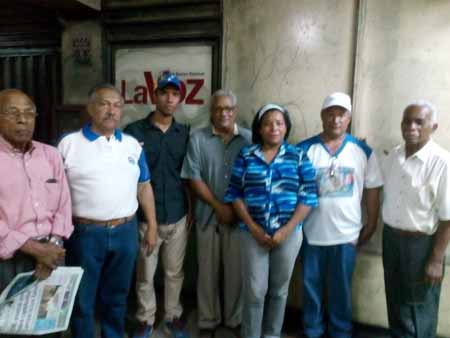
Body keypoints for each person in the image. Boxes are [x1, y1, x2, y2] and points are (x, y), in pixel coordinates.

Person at [58, 84, 158, 338]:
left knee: (117, 297)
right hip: (84, 233)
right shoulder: (68, 145)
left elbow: (144, 187)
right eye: (104, 104)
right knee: (82, 299)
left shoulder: (133, 145)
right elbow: (55, 193)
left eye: (117, 105)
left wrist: (152, 226)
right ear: (91, 108)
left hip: (126, 230)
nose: (111, 110)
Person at [224, 103, 318, 338]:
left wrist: (285, 231)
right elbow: (235, 194)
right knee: (255, 291)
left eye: (279, 123)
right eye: (267, 123)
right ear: (259, 128)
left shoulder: (298, 156)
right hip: (252, 234)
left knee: (279, 291)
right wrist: (254, 228)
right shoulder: (247, 155)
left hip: (288, 235)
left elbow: (308, 196)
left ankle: (272, 334)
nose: (273, 128)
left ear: (286, 127)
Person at [297, 92, 383, 338]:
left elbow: (373, 188)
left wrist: (372, 223)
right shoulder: (304, 149)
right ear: (323, 116)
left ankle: (340, 331)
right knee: (310, 286)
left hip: (346, 235)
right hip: (311, 233)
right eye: (331, 113)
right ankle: (312, 329)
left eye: (341, 114)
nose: (336, 119)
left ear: (349, 118)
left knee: (341, 288)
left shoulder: (363, 151)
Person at [0, 89, 73, 338]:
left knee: (48, 324)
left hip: (52, 253)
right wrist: (34, 249)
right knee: (12, 327)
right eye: (13, 113)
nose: (23, 119)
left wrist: (51, 246)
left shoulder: (50, 155)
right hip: (9, 257)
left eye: (29, 113)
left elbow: (64, 204)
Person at [124, 72, 190, 338]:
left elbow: (189, 177)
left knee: (175, 273)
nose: (169, 98)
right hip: (144, 217)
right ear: (155, 95)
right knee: (145, 275)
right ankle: (145, 319)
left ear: (180, 99)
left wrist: (192, 212)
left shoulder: (184, 133)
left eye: (175, 94)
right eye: (164, 93)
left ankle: (172, 317)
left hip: (178, 215)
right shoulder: (134, 132)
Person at [181, 89, 251, 338]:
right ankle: (208, 320)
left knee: (236, 273)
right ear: (211, 112)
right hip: (207, 217)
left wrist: (235, 208)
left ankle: (234, 320)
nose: (223, 113)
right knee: (206, 273)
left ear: (235, 112)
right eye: (218, 109)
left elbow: (253, 178)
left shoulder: (248, 140)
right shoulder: (198, 139)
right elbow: (194, 177)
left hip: (239, 218)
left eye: (228, 109)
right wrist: (219, 206)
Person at [381, 101, 450, 338]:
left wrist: (437, 259)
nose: (411, 126)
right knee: (395, 303)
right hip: (390, 239)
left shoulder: (442, 162)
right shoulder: (393, 156)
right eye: (407, 121)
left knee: (419, 310)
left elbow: (447, 218)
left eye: (419, 122)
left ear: (434, 126)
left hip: (421, 246)